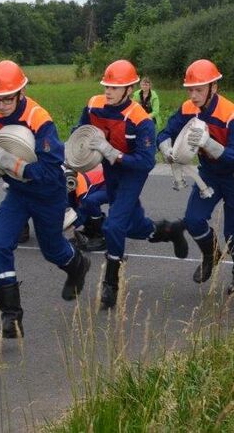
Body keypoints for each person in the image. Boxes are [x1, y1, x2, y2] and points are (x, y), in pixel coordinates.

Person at [0, 60, 90, 339]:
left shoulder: (39, 119)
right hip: (18, 194)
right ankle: (12, 319)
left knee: (53, 250)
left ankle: (78, 264)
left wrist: (11, 162)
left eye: (7, 98)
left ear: (21, 92)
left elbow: (48, 171)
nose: (1, 104)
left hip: (48, 194)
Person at [75, 59, 188, 310]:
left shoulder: (141, 119)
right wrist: (75, 155)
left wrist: (112, 152)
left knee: (114, 225)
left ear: (129, 90)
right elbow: (79, 132)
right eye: (106, 86)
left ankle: (111, 284)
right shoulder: (94, 105)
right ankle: (168, 230)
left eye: (115, 88)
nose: (108, 91)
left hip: (133, 173)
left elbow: (146, 162)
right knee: (134, 226)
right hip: (111, 172)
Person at [156, 59, 234, 293]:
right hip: (209, 174)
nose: (193, 95)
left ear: (214, 87)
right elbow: (165, 131)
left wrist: (209, 144)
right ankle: (211, 255)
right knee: (193, 219)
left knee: (232, 235)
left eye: (199, 89)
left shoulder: (229, 114)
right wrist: (165, 147)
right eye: (190, 89)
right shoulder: (188, 108)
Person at [66, 166, 108, 252]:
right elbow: (70, 206)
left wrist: (71, 226)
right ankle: (91, 230)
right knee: (80, 205)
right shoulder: (68, 183)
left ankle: (100, 236)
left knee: (90, 202)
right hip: (98, 185)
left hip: (113, 187)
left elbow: (82, 209)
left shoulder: (79, 184)